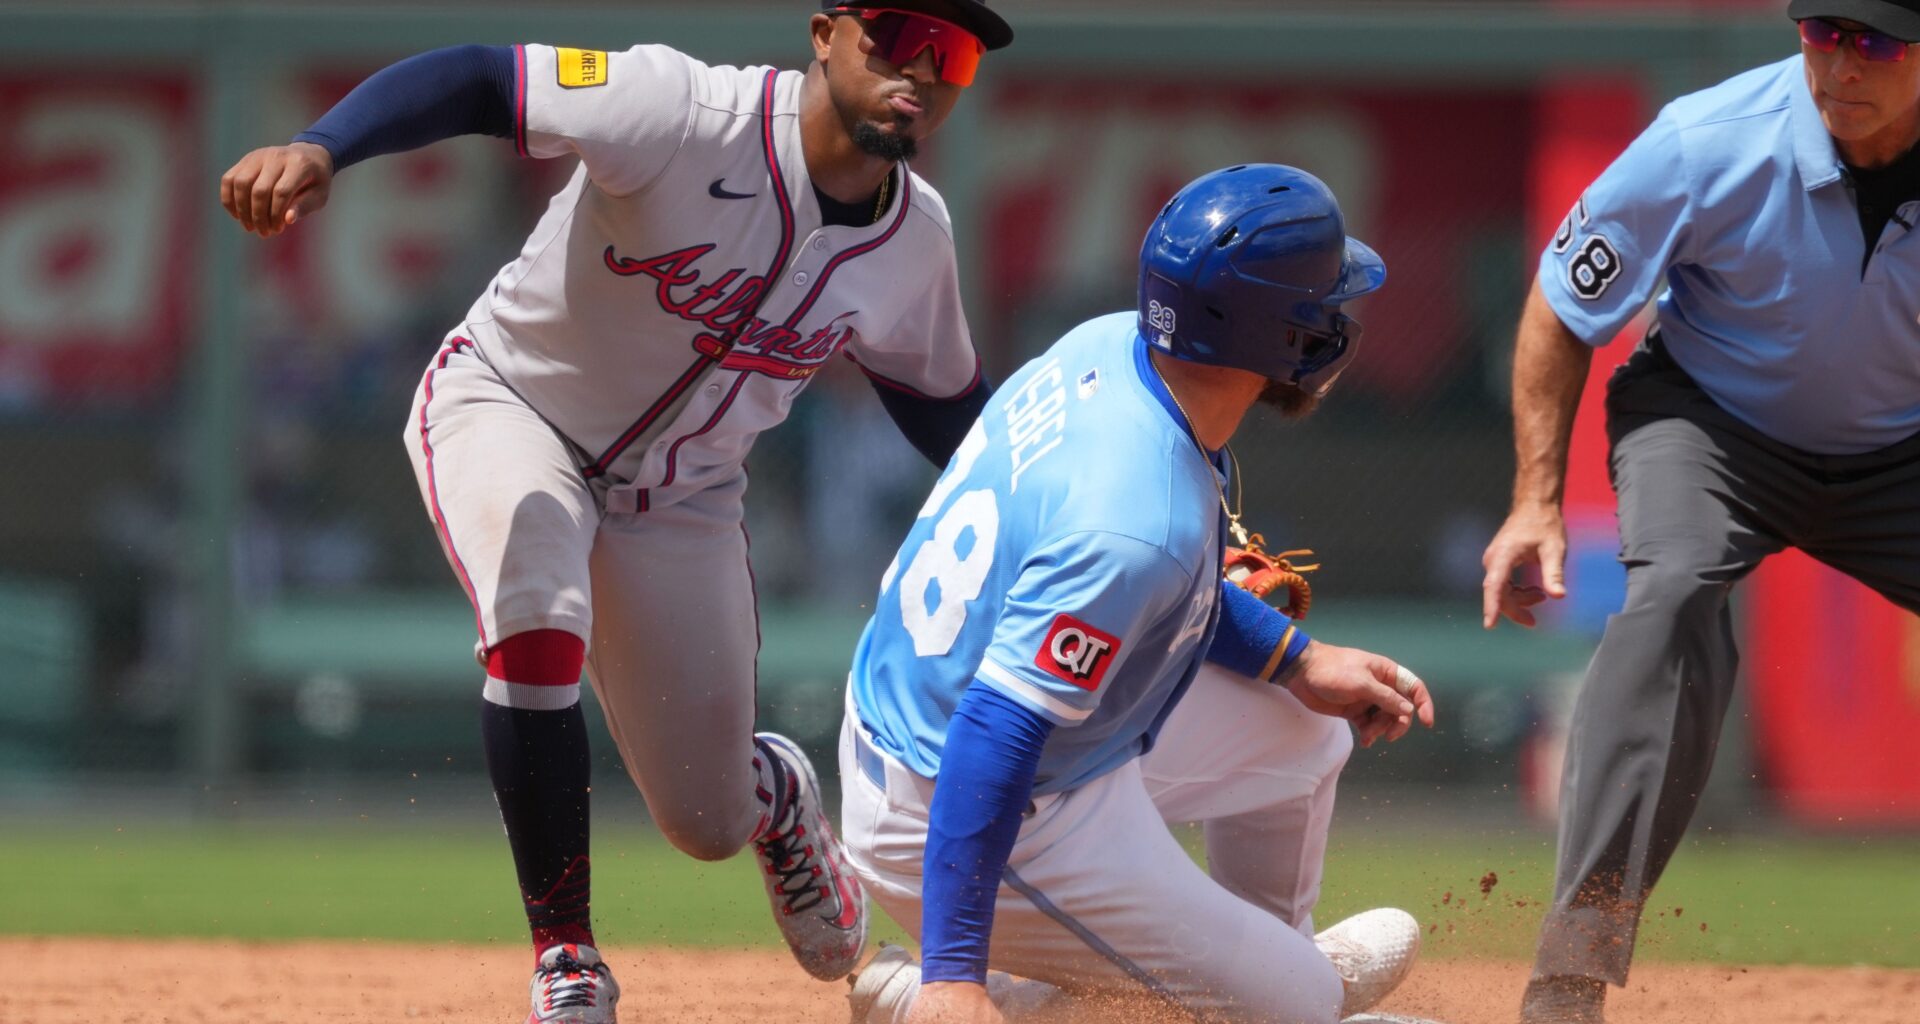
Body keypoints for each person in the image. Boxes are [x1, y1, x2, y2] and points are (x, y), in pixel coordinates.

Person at [217, 2, 1013, 1020]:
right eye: (899, 33)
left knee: (706, 821)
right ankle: (567, 955)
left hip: (681, 499)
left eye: (954, 56)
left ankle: (770, 795)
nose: (924, 70)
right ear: (826, 33)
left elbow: (947, 406)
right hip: (512, 404)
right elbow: (480, 76)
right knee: (536, 594)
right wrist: (325, 146)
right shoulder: (681, 109)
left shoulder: (917, 242)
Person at [836, 164, 1437, 1024]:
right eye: (1324, 304)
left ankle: (1255, 979)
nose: (1339, 319)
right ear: (1287, 335)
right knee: (1303, 1004)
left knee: (1305, 727)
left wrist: (1297, 659)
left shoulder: (1114, 348)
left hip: (983, 734)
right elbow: (994, 735)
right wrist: (953, 980)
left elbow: (1150, 583)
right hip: (956, 804)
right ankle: (951, 992)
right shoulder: (1135, 517)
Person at [1480, 3, 1920, 1021]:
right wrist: (1534, 503)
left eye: (1881, 41)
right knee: (1671, 599)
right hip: (1712, 426)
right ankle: (1572, 967)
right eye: (1826, 31)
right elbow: (1560, 303)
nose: (1842, 63)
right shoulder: (1705, 138)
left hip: (1901, 453)